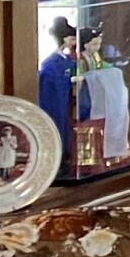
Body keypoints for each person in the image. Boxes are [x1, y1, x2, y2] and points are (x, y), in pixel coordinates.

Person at [38, 18, 79, 160]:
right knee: (56, 125)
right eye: (72, 39)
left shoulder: (66, 59)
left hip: (64, 100)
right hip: (53, 99)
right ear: (64, 39)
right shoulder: (51, 63)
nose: (74, 42)